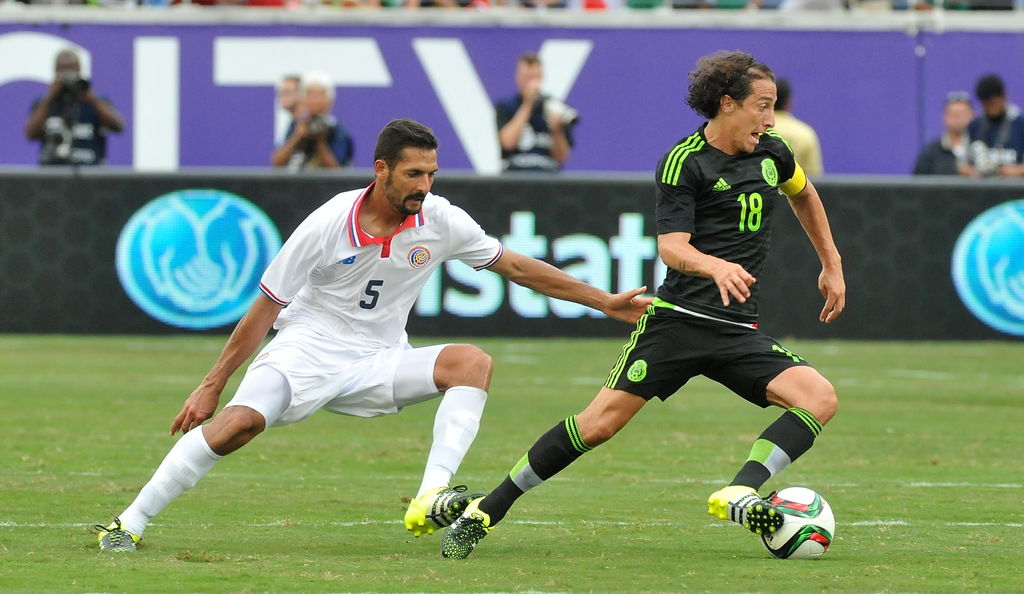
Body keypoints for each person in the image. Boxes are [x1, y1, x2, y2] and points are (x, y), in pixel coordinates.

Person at [94, 118, 652, 552]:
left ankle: (431, 494)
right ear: (381, 169)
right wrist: (212, 383)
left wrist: (603, 301)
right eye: (414, 174)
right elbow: (265, 308)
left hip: (379, 358)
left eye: (432, 173)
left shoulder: (440, 219)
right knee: (238, 425)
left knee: (471, 363)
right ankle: (129, 521)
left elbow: (518, 268)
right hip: (305, 347)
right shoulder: (328, 222)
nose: (425, 186)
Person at [441, 50, 846, 560]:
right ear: (727, 104)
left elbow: (804, 194)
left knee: (819, 398)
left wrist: (831, 264)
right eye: (761, 107)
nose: (769, 120)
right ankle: (486, 511)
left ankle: (741, 490)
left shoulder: (774, 152)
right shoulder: (684, 161)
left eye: (772, 109)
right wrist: (714, 265)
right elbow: (671, 246)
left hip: (737, 328)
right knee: (598, 424)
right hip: (677, 322)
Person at [25, 48, 124, 166]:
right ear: (55, 71)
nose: (68, 74)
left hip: (90, 171)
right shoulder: (44, 103)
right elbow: (30, 134)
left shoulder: (96, 100)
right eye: (63, 69)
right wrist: (51, 97)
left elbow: (118, 126)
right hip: (52, 173)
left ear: (80, 71)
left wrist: (90, 98)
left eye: (72, 69)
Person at [495, 52, 577, 173]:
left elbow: (561, 158)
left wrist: (556, 129)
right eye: (526, 77)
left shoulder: (554, 107)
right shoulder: (506, 105)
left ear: (542, 77)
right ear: (518, 77)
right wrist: (528, 105)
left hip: (547, 178)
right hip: (514, 176)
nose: (530, 82)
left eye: (534, 77)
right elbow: (508, 143)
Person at [271, 71, 354, 171]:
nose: (315, 101)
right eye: (310, 95)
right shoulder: (297, 125)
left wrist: (319, 141)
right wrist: (297, 136)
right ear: (303, 99)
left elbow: (336, 170)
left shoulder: (337, 130)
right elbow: (277, 162)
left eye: (320, 95)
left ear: (329, 100)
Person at [966, 73, 1024, 177]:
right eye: (985, 104)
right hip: (982, 190)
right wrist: (975, 172)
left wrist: (1016, 171)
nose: (990, 108)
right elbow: (962, 164)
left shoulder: (1020, 124)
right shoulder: (975, 125)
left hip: (1016, 189)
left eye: (993, 103)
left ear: (1004, 97)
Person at [913, 91, 975, 176]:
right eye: (954, 114)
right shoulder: (931, 151)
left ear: (972, 115)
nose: (958, 118)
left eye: (962, 114)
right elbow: (917, 183)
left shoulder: (979, 147)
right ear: (945, 116)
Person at [770, 78, 823, 176]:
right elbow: (814, 177)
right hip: (796, 191)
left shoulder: (754, 130)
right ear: (789, 103)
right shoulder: (805, 133)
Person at [273, 74, 302, 146]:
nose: (281, 97)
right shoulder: (291, 124)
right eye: (280, 93)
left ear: (302, 94)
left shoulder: (307, 124)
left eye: (287, 92)